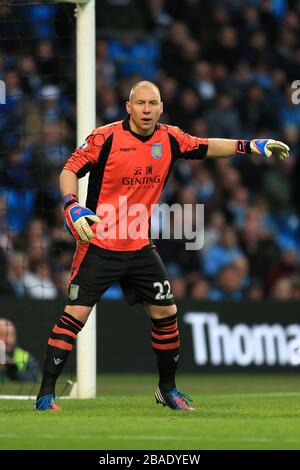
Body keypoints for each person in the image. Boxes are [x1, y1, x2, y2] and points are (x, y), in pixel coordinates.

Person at [34, 80, 289, 412]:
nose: (146, 109)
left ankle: (167, 389)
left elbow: (208, 145)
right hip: (99, 243)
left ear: (161, 107)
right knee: (76, 315)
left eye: (152, 103)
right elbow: (69, 169)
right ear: (128, 106)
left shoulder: (170, 138)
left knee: (166, 313)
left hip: (139, 246)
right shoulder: (105, 136)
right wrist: (71, 204)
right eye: (140, 103)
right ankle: (45, 394)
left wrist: (251, 145)